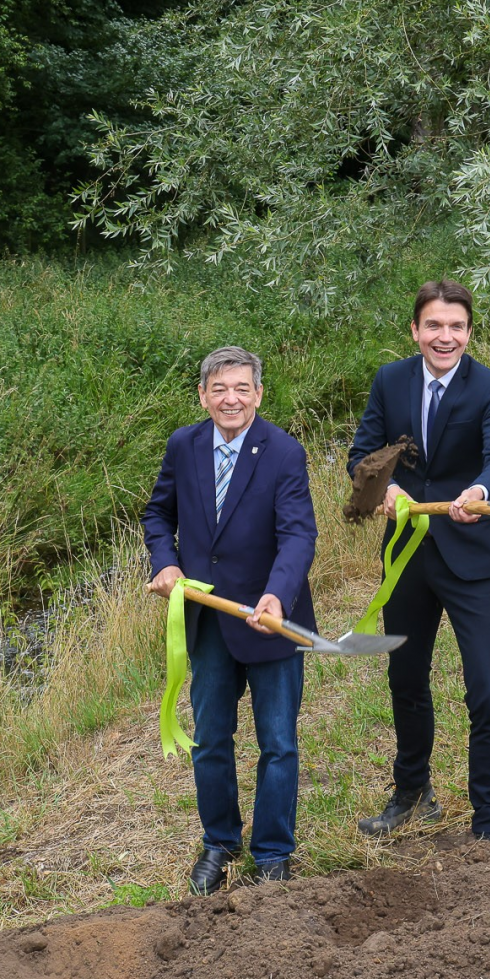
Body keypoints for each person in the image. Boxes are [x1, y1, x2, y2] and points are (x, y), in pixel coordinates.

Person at [346, 280, 490, 849]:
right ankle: (412, 791)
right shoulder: (389, 381)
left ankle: (489, 819)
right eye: (434, 326)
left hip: (473, 555)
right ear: (415, 330)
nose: (446, 337)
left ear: (469, 332)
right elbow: (361, 454)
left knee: (489, 690)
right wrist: (386, 485)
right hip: (408, 556)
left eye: (457, 327)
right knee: (405, 678)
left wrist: (481, 489)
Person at [144, 346, 317, 894]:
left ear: (258, 394)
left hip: (268, 617)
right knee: (212, 738)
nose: (231, 399)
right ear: (203, 395)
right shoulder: (184, 445)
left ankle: (272, 854)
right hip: (209, 621)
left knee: (278, 743)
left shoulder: (284, 451)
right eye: (219, 389)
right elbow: (158, 513)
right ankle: (219, 842)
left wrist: (277, 596)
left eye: (242, 388)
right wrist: (165, 561)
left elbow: (298, 533)